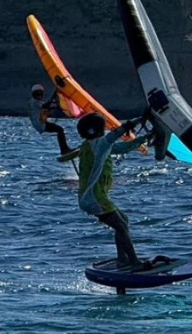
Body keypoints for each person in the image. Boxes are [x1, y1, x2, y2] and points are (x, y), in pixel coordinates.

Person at [62, 112, 154, 271]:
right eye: (102, 128)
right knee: (121, 226)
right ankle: (134, 262)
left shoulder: (91, 145)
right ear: (95, 131)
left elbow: (121, 147)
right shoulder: (99, 144)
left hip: (94, 197)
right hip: (94, 198)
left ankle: (122, 259)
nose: (105, 130)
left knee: (123, 221)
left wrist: (145, 138)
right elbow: (114, 136)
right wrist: (136, 121)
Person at [28, 83, 73, 156]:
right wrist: (54, 94)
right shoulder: (35, 102)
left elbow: (47, 107)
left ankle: (64, 149)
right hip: (40, 124)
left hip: (40, 123)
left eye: (40, 94)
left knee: (59, 130)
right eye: (37, 94)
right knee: (60, 130)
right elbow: (46, 105)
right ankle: (64, 150)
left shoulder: (35, 102)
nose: (39, 96)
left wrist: (56, 105)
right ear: (34, 94)